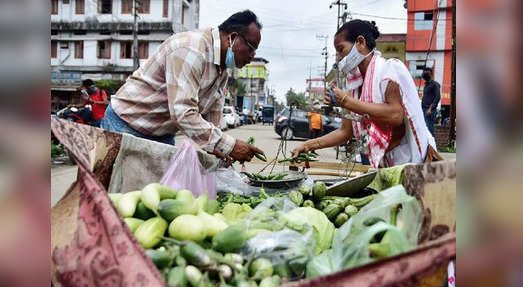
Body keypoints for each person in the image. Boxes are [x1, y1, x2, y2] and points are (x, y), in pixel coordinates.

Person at [101, 10, 265, 163]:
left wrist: (220, 150)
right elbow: (183, 112)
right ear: (233, 37)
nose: (252, 56)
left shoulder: (222, 72)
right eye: (251, 48)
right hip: (126, 125)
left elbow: (212, 119)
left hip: (161, 135)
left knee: (157, 192)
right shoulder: (191, 49)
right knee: (112, 192)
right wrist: (230, 145)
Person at [293, 20, 436, 168]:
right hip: (384, 166)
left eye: (341, 50)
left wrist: (345, 101)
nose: (339, 58)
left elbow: (396, 115)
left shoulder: (389, 69)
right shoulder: (354, 88)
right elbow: (345, 131)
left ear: (360, 42)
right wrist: (309, 145)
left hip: (410, 164)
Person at [421, 67, 441, 136]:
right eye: (424, 72)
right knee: (425, 130)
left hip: (429, 111)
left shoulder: (435, 84)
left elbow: (438, 97)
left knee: (430, 130)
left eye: (427, 72)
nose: (424, 73)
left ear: (431, 74)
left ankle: (433, 146)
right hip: (424, 109)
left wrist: (430, 108)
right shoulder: (426, 85)